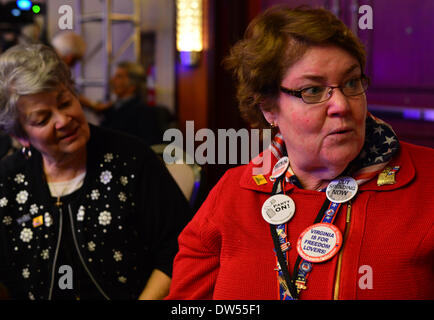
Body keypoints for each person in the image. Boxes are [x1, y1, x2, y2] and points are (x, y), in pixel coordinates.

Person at [167, 5, 434, 300]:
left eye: (351, 82)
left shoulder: (427, 183)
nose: (342, 106)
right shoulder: (231, 194)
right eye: (313, 91)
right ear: (268, 107)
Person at [0, 44, 192, 300]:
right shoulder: (7, 182)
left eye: (66, 102)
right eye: (43, 119)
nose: (63, 120)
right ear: (21, 136)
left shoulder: (132, 160)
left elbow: (180, 247)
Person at [98, 61, 173, 146]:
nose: (112, 80)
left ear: (132, 85)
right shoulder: (112, 108)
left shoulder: (143, 113)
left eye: (119, 76)